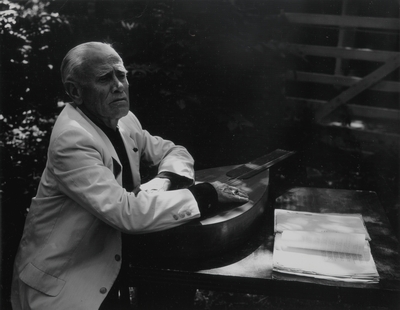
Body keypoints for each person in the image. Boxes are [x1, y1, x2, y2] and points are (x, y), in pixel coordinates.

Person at [11, 41, 249, 310]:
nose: (118, 86)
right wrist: (206, 193)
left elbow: (173, 150)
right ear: (74, 91)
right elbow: (126, 213)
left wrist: (166, 179)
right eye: (104, 78)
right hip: (64, 281)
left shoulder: (123, 119)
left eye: (121, 75)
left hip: (104, 260)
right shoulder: (72, 138)